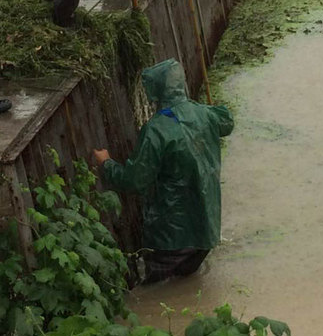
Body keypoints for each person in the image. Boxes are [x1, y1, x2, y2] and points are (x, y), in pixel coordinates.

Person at [93, 59, 234, 283]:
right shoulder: (204, 114)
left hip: (172, 236)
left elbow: (135, 180)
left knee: (152, 290)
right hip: (207, 230)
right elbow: (227, 121)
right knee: (188, 285)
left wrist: (106, 164)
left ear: (156, 91)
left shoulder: (156, 129)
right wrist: (200, 108)